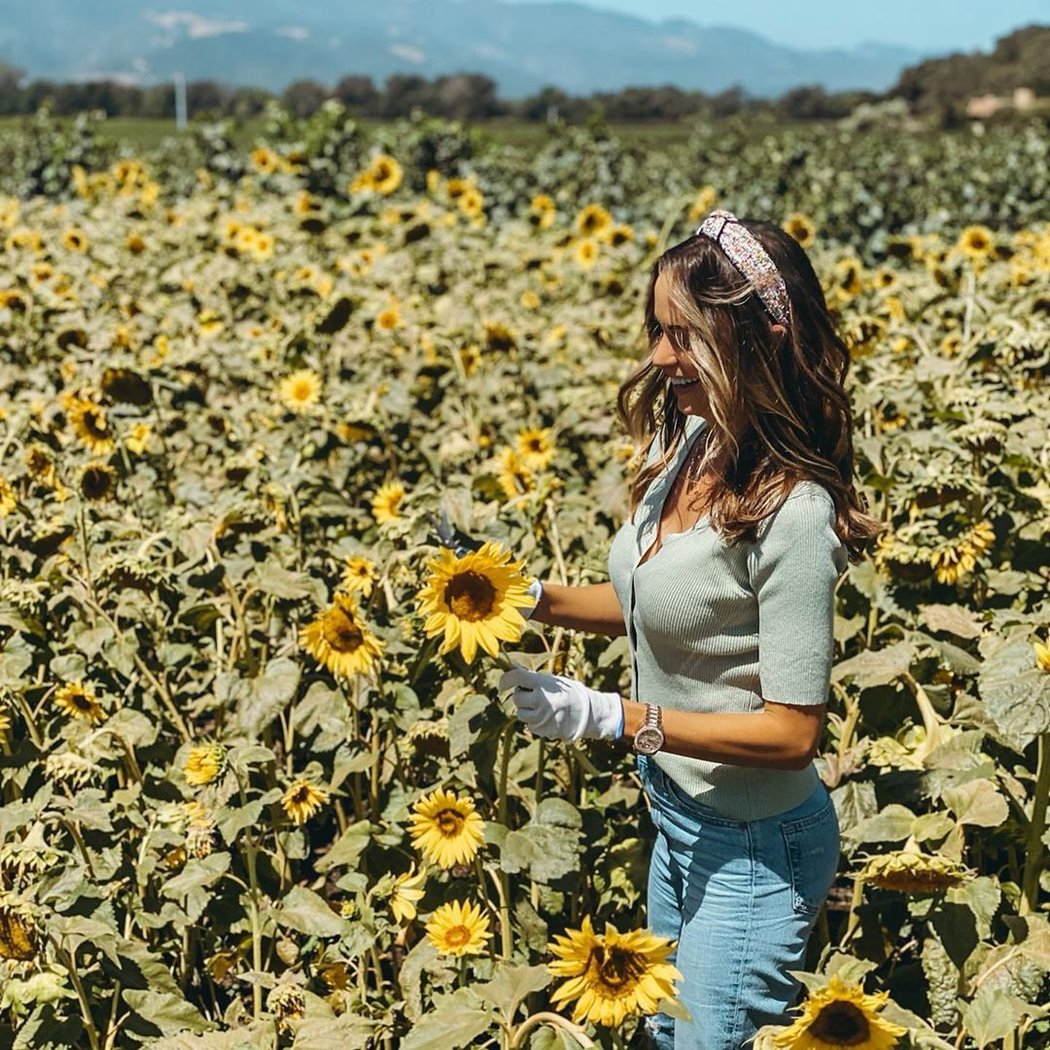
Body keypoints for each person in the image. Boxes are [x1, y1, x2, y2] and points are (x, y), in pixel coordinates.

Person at [498, 210, 886, 1050]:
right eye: (657, 331)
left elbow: (792, 732)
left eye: (683, 336)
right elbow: (656, 602)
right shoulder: (696, 444)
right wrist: (526, 599)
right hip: (677, 816)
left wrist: (618, 719)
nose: (658, 358)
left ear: (747, 342)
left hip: (755, 845)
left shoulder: (792, 509)